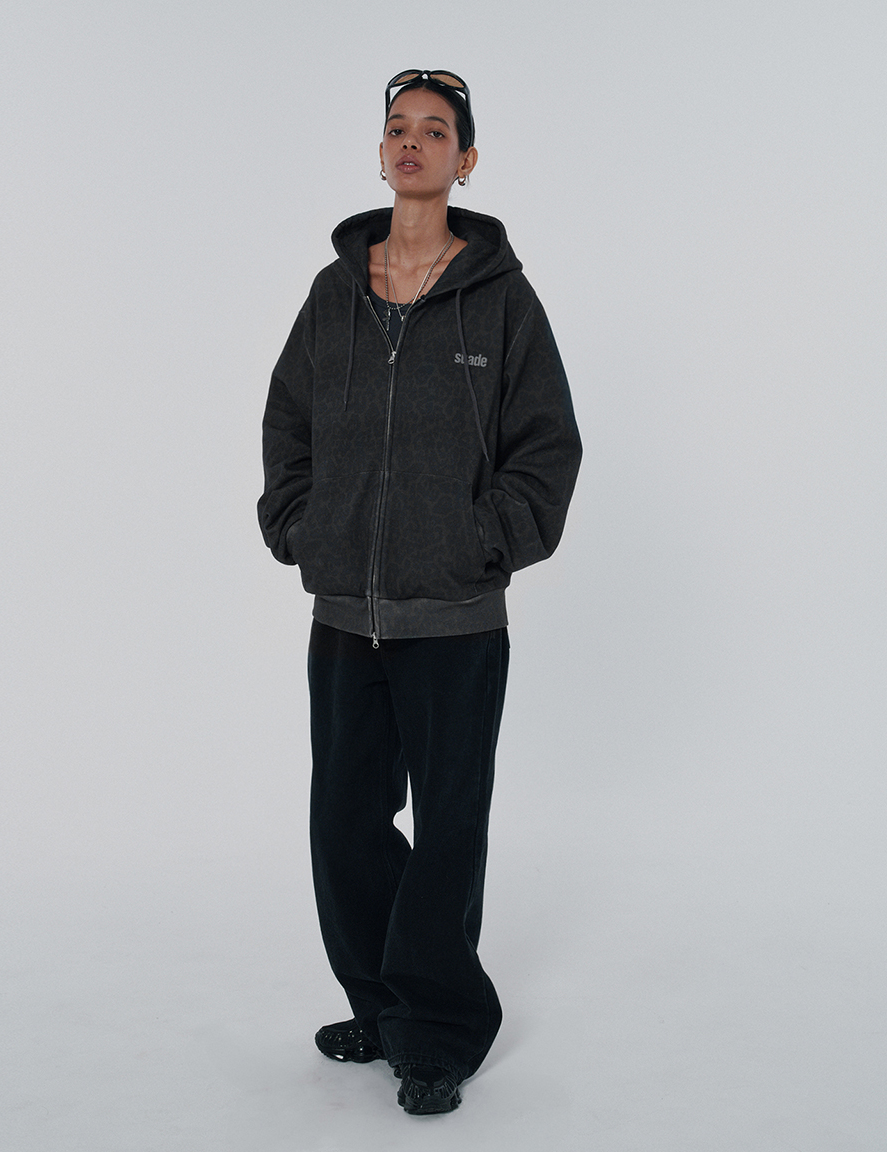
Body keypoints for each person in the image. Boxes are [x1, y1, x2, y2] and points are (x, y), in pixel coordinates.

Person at [258, 69, 582, 1116]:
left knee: (448, 832)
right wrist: (302, 526)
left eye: (435, 132)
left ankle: (437, 1032)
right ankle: (382, 1000)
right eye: (398, 128)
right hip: (345, 616)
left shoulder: (503, 298)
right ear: (381, 151)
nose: (412, 143)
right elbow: (288, 423)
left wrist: (482, 543)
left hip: (455, 619)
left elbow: (548, 448)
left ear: (465, 160)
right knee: (343, 825)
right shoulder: (335, 294)